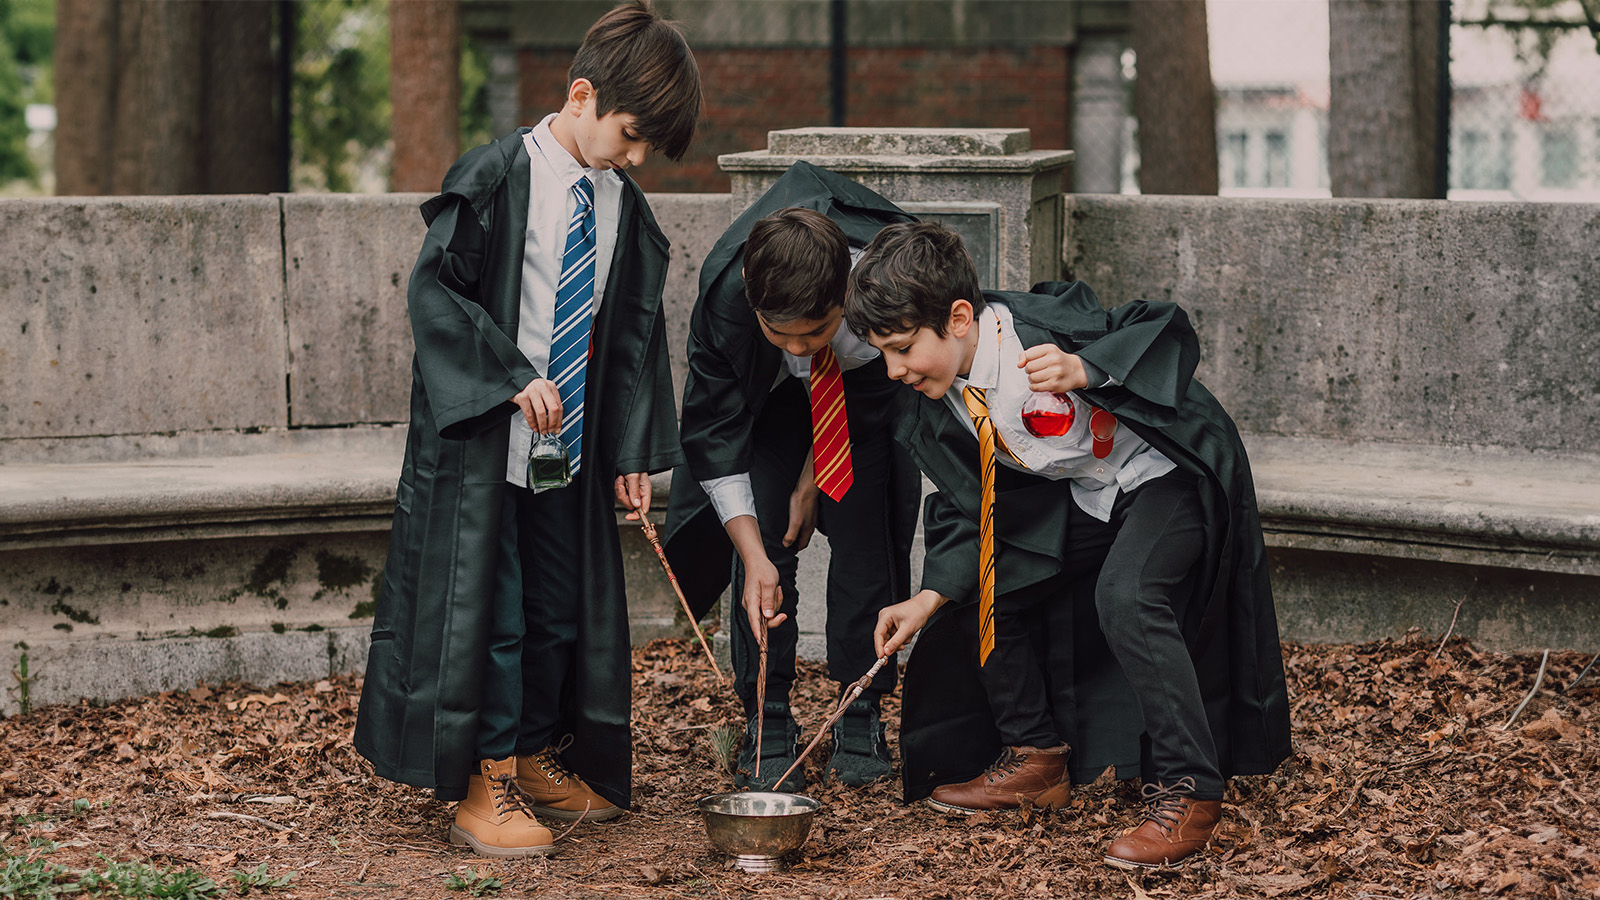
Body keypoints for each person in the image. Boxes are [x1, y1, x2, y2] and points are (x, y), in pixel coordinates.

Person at [353, 1, 701, 859]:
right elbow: (437, 295)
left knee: (557, 610)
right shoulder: (499, 177)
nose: (635, 155)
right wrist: (511, 379)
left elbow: (635, 334)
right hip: (487, 450)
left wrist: (630, 452)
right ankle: (485, 778)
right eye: (630, 133)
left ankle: (534, 752)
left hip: (570, 457)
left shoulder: (620, 203)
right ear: (580, 95)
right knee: (494, 614)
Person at [843, 222, 1291, 869]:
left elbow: (1165, 328)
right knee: (999, 583)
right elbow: (973, 504)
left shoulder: (1041, 326)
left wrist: (1088, 367)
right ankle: (1036, 757)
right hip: (1089, 496)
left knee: (1127, 596)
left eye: (904, 347)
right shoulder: (937, 399)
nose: (894, 369)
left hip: (1164, 476)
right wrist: (928, 597)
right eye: (882, 352)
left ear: (960, 318)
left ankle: (1191, 791)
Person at [663, 162, 921, 791]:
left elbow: (890, 386)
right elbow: (716, 435)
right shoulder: (727, 302)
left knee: (866, 534)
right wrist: (754, 555)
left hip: (866, 393)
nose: (802, 347)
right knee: (765, 532)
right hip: (767, 401)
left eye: (819, 330)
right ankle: (766, 713)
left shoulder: (890, 280)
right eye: (786, 334)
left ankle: (859, 705)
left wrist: (820, 472)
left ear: (847, 300)